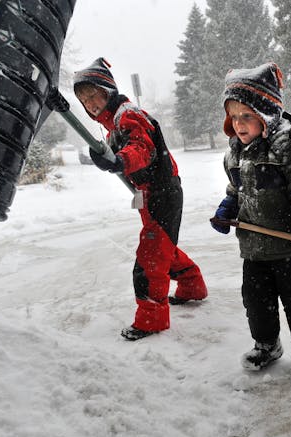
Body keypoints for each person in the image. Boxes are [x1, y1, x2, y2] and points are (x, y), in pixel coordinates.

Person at [73, 57, 207, 340]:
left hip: (163, 193)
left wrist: (120, 160)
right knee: (162, 248)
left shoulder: (128, 115)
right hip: (149, 196)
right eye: (85, 101)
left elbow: (142, 148)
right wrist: (104, 158)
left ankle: (151, 319)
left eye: (94, 95)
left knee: (150, 258)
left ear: (107, 90)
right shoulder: (113, 125)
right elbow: (118, 155)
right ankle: (192, 286)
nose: (91, 103)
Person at [210, 62, 291, 375]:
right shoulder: (235, 152)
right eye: (234, 117)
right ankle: (267, 345)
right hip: (254, 248)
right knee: (257, 303)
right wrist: (226, 208)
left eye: (247, 115)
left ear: (268, 115)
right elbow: (236, 189)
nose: (239, 124)